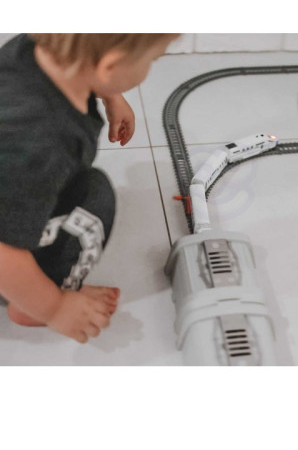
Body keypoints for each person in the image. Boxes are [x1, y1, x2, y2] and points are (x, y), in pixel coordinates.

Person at [0, 33, 180, 344]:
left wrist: (110, 95)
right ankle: (27, 305)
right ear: (110, 66)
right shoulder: (43, 141)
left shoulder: (31, 49)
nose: (151, 64)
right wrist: (54, 308)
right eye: (151, 59)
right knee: (94, 195)